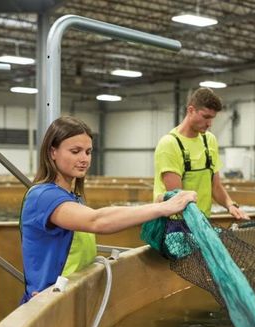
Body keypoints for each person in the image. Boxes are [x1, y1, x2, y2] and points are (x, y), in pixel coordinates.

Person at [20, 116, 197, 303]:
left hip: (68, 299)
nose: (84, 159)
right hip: (49, 302)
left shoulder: (71, 197)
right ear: (52, 152)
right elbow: (97, 220)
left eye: (88, 152)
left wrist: (158, 204)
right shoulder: (43, 196)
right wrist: (163, 208)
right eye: (75, 151)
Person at [153, 87, 249, 220]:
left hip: (202, 222)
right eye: (206, 117)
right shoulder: (169, 144)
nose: (209, 123)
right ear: (191, 110)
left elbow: (215, 186)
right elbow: (177, 200)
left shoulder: (209, 140)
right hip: (174, 226)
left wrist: (230, 205)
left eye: (212, 118)